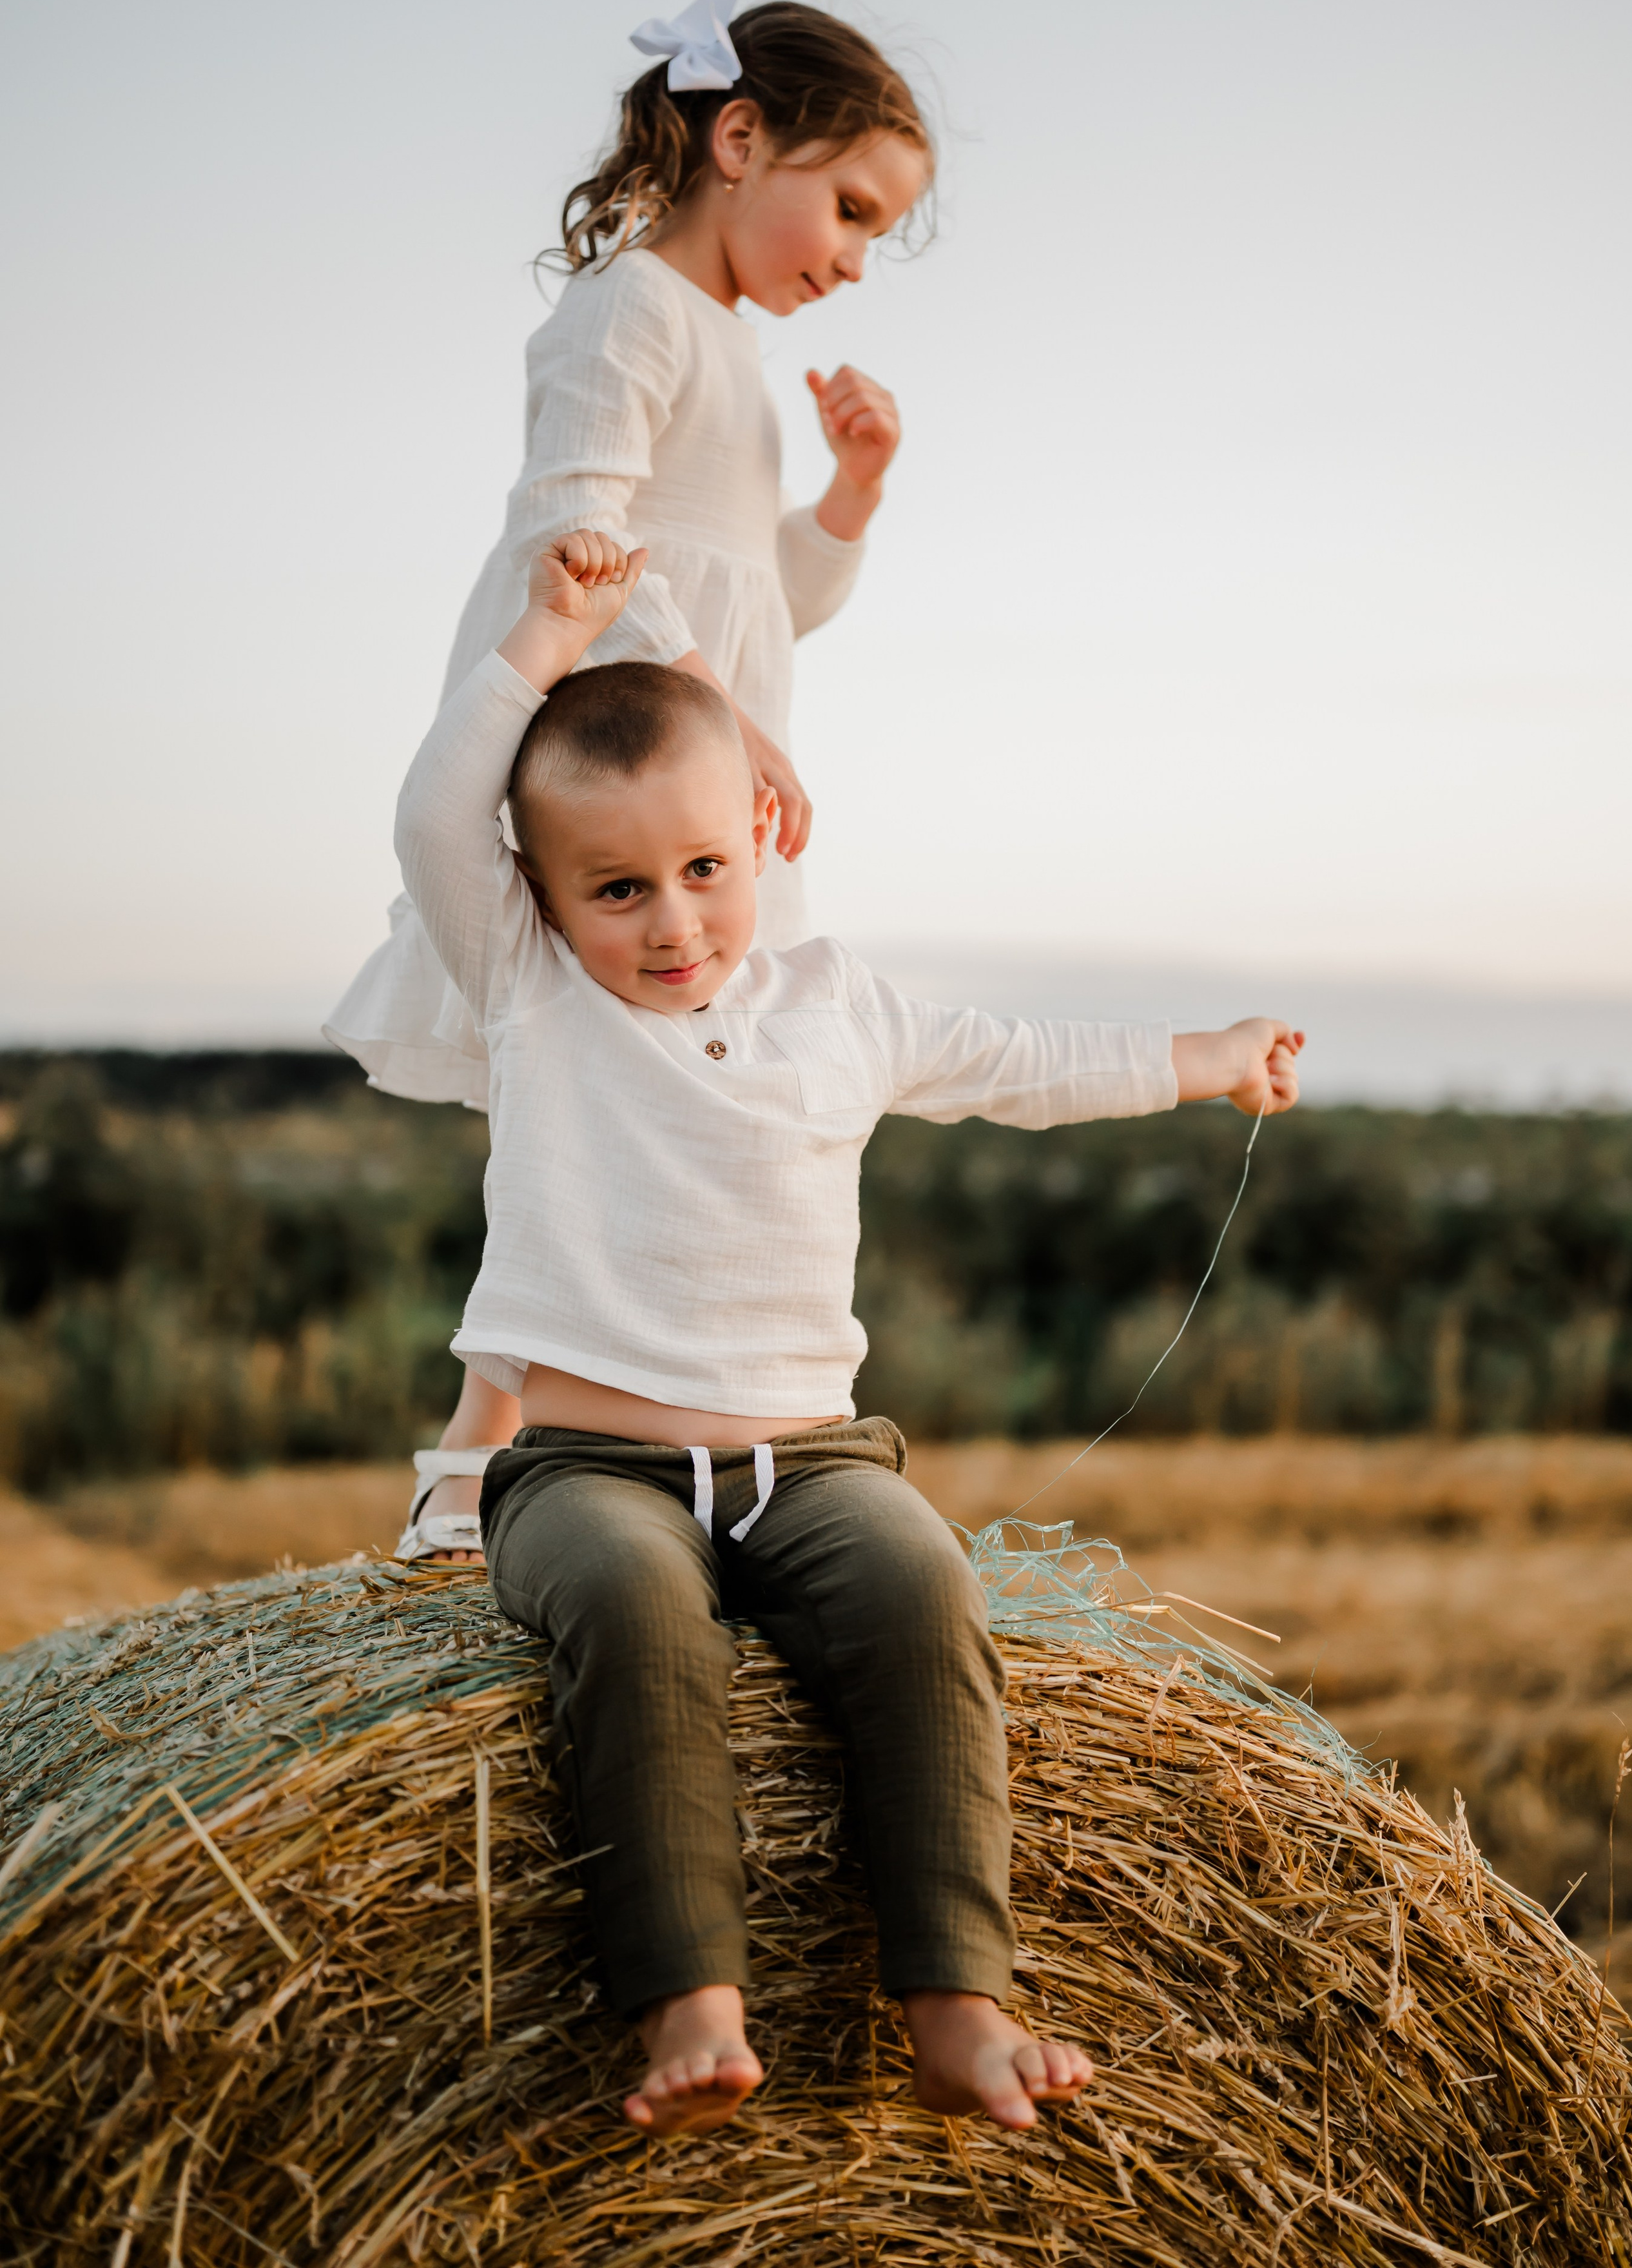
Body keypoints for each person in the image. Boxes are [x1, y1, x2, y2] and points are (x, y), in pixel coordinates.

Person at [394, 523, 1305, 2138]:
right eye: (614, 889)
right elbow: (430, 811)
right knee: (634, 1623)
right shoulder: (535, 992)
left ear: (759, 826)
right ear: (536, 892)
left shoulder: (844, 1003)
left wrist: (1205, 1053)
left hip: (815, 1462)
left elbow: (1026, 1062)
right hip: (588, 1469)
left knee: (921, 1585)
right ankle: (689, 1996)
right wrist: (541, 638)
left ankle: (958, 1998)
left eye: (699, 871)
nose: (669, 922)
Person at [327, 0, 933, 1538]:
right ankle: (479, 1448)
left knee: (690, 1106)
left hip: (706, 766)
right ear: (739, 138)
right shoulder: (628, 313)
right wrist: (714, 716)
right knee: (573, 1107)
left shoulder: (725, 348)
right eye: (850, 205)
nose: (858, 256)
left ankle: (695, 1416)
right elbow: (573, 528)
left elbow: (759, 592)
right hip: (623, 769)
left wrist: (852, 493)